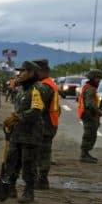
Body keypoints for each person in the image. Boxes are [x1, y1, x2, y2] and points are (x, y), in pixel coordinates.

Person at [2, 61, 44, 203]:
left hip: (31, 134)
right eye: (19, 71)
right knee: (12, 160)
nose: (19, 74)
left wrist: (17, 117)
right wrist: (12, 121)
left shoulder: (38, 89)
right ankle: (11, 187)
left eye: (23, 71)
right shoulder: (21, 89)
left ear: (32, 73)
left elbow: (36, 111)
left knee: (28, 163)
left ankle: (29, 191)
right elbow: (18, 109)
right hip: (17, 132)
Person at [35, 59, 60, 188]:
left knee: (43, 153)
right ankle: (41, 179)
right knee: (43, 151)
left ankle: (42, 180)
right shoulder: (49, 84)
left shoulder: (45, 86)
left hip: (45, 124)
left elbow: (37, 108)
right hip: (50, 122)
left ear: (40, 71)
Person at [78, 70, 102, 163]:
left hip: (89, 114)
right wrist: (98, 111)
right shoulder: (90, 89)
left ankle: (86, 153)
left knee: (90, 134)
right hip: (89, 115)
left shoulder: (89, 87)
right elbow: (90, 104)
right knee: (89, 135)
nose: (99, 80)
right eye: (98, 78)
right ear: (93, 78)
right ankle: (84, 155)